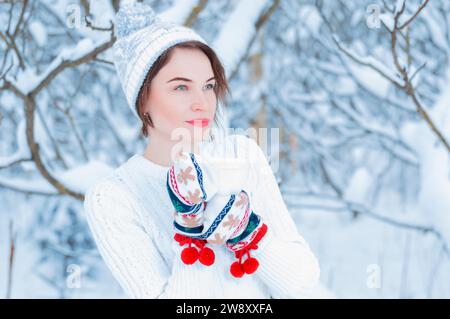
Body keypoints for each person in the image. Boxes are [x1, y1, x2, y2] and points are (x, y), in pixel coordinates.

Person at [83, 1, 320, 299]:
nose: (202, 102)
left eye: (208, 86)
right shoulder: (114, 196)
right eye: (181, 87)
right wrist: (190, 227)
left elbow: (301, 281)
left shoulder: (241, 154)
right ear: (143, 100)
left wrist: (248, 232)